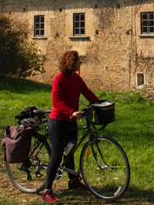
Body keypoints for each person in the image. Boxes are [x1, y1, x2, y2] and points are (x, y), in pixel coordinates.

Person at [40, 50, 99, 204]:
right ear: (71, 62)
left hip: (71, 121)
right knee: (57, 153)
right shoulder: (59, 79)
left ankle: (73, 181)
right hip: (58, 121)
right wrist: (71, 112)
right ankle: (47, 190)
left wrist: (99, 103)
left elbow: (87, 92)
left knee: (71, 150)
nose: (80, 63)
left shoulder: (76, 78)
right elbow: (57, 102)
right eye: (78, 61)